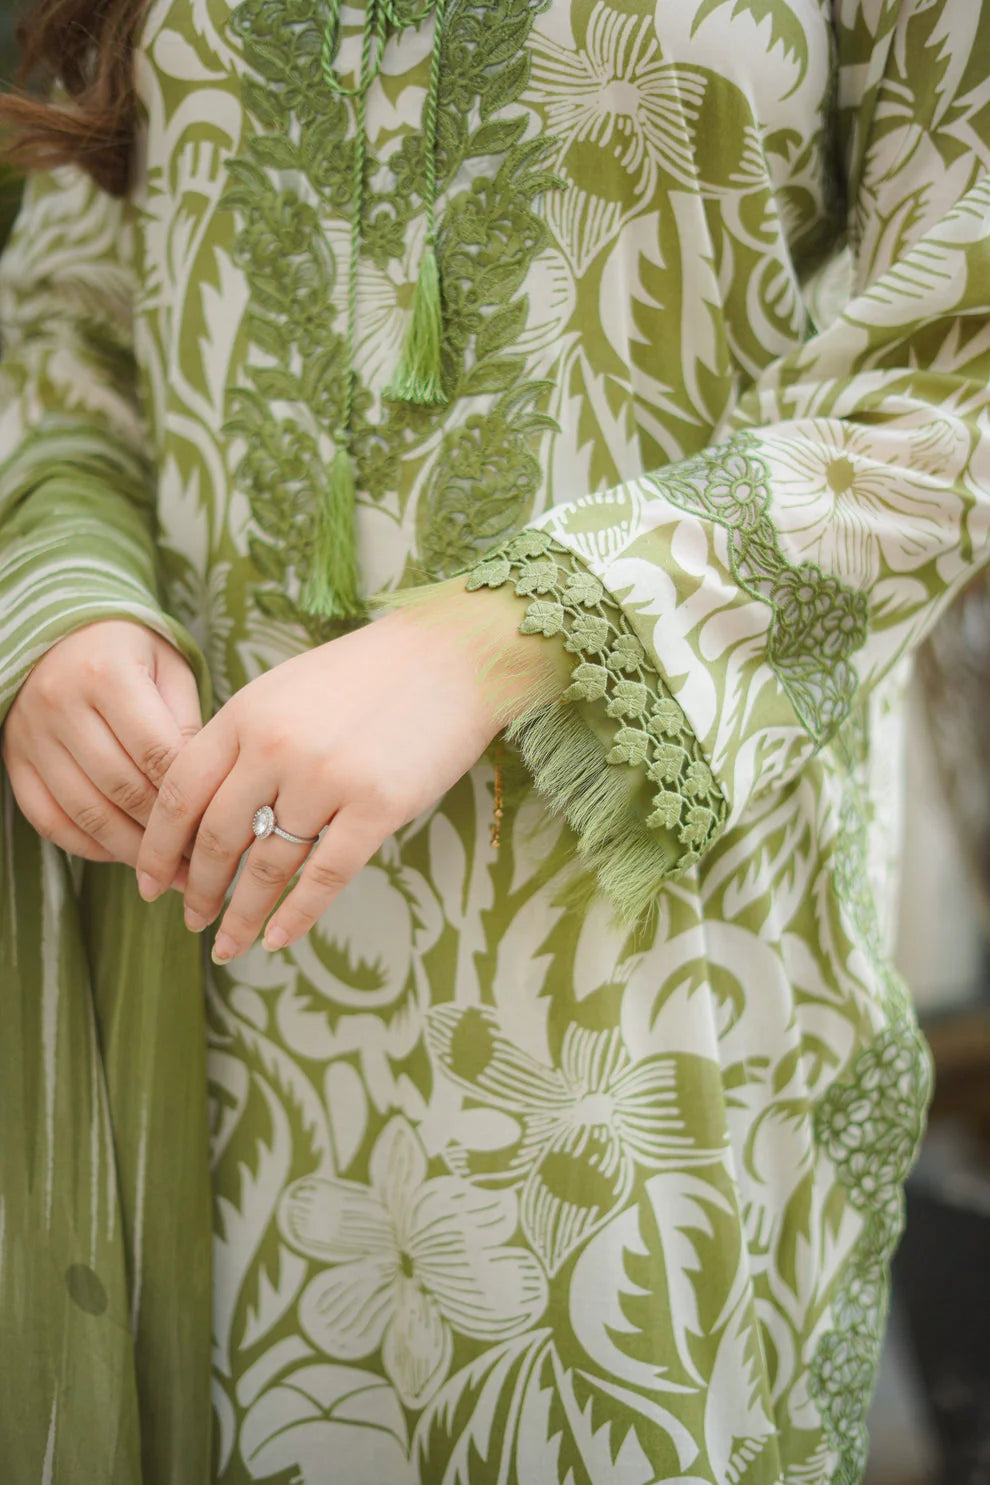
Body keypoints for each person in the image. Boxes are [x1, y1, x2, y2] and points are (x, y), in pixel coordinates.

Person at [0, 0, 987, 1480]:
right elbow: (71, 315)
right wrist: (66, 599)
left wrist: (486, 639)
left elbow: (955, 365)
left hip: (632, 976)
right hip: (188, 939)